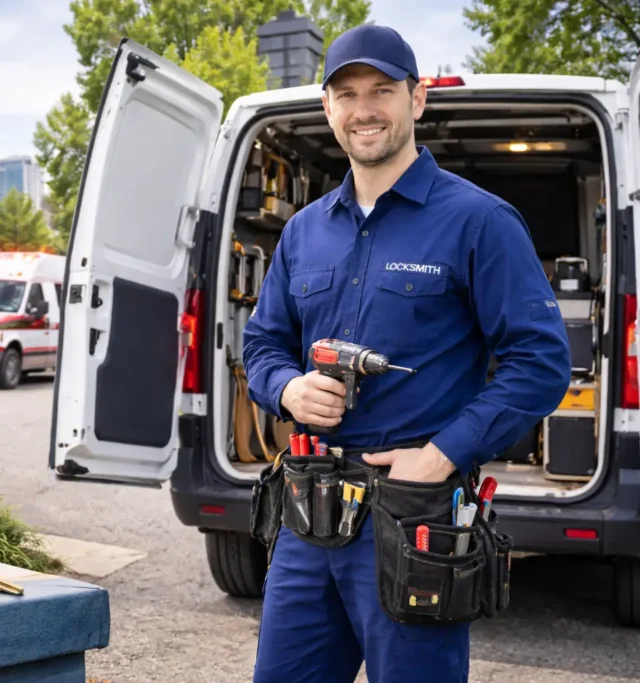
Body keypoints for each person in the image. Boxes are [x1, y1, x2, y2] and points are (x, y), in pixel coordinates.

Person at [242, 24, 571, 683]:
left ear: (417, 99)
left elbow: (541, 362)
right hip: (309, 513)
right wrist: (286, 389)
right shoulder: (304, 232)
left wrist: (444, 452)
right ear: (328, 108)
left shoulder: (478, 221)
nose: (364, 109)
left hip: (413, 518)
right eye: (347, 94)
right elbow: (261, 344)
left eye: (382, 90)